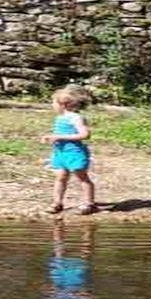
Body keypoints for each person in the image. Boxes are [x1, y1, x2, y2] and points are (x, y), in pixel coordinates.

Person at [41, 85, 98, 215]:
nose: (52, 105)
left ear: (63, 104)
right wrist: (51, 138)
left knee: (82, 177)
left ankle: (89, 203)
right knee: (60, 177)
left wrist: (58, 136)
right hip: (60, 153)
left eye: (53, 102)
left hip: (74, 152)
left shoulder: (76, 117)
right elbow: (62, 133)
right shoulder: (60, 118)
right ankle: (57, 203)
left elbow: (85, 135)